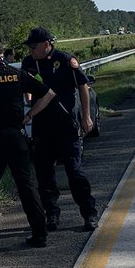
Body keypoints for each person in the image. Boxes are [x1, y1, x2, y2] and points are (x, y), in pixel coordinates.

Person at [0, 39, 56, 252]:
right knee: (26, 186)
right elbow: (49, 94)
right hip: (16, 137)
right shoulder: (17, 74)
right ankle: (40, 234)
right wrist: (29, 116)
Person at [21, 27, 98, 233]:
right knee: (44, 174)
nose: (31, 50)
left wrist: (86, 116)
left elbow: (83, 86)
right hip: (42, 127)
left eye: (34, 46)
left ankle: (89, 213)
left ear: (47, 44)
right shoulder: (29, 63)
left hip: (66, 125)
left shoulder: (65, 60)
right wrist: (28, 98)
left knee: (75, 172)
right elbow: (27, 88)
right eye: (29, 47)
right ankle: (52, 214)